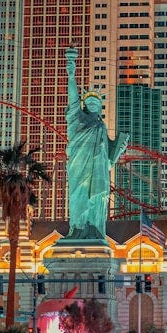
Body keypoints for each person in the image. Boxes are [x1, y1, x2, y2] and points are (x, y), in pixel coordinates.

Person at [63, 47, 129, 241]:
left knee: (97, 198)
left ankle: (94, 229)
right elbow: (73, 98)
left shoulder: (100, 126)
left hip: (98, 170)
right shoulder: (78, 119)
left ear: (99, 108)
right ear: (84, 105)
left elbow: (109, 161)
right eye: (89, 102)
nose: (92, 104)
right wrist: (71, 75)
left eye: (96, 103)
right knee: (78, 196)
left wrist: (119, 149)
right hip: (78, 166)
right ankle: (77, 229)